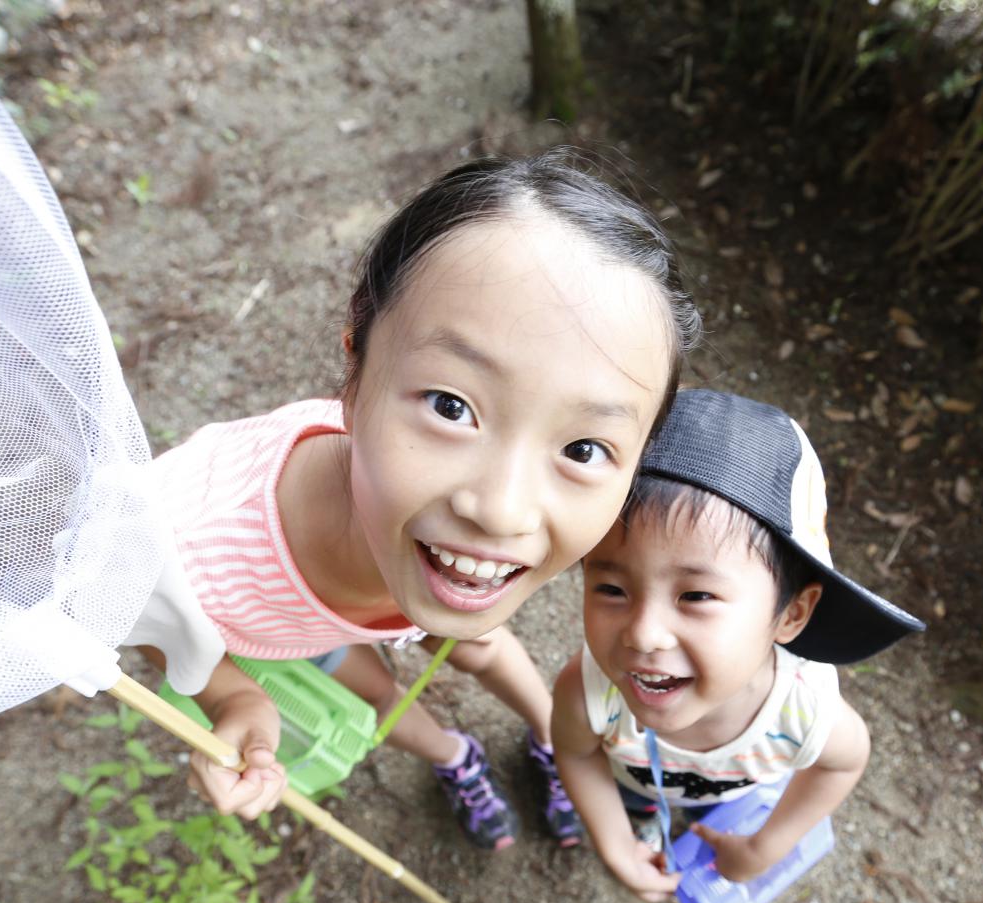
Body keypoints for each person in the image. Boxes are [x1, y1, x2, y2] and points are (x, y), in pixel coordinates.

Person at [126, 150, 701, 851]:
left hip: (406, 555)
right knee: (375, 691)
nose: (502, 511)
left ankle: (553, 738)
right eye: (451, 406)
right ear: (356, 364)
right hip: (289, 614)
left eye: (583, 449)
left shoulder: (450, 538)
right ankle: (453, 755)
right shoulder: (179, 550)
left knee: (479, 643)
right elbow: (154, 624)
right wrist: (236, 696)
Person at [551, 390, 925, 900]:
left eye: (696, 596)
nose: (642, 633)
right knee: (633, 802)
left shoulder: (803, 712)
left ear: (791, 614)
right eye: (612, 589)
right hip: (629, 779)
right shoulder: (587, 692)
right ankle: (644, 819)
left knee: (710, 812)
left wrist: (764, 847)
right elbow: (578, 755)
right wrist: (615, 841)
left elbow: (844, 761)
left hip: (730, 787)